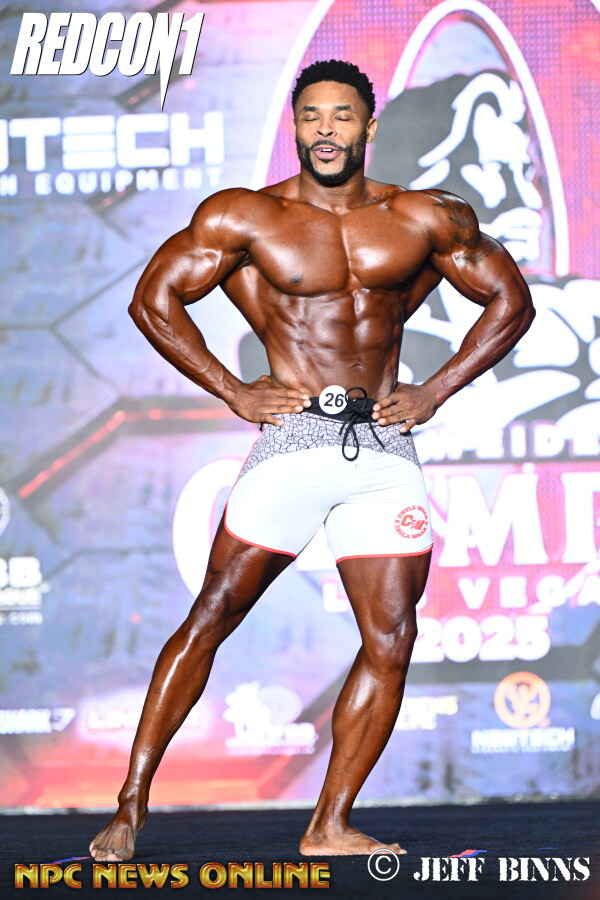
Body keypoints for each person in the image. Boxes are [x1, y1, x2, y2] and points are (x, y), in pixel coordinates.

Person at [90, 59, 534, 860]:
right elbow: (153, 299)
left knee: (392, 638)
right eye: (312, 116)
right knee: (215, 611)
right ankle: (129, 806)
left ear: (369, 125)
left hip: (383, 444)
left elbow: (512, 300)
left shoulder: (423, 216)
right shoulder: (246, 216)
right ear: (295, 126)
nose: (326, 130)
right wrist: (233, 389)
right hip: (294, 439)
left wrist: (436, 390)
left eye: (341, 115)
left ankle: (329, 823)